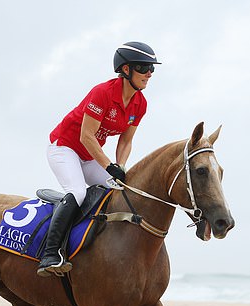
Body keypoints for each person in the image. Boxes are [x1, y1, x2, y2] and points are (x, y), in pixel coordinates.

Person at [38, 41, 161, 276]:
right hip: (64, 148)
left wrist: (120, 167)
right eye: (144, 68)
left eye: (152, 69)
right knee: (78, 192)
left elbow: (125, 141)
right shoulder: (102, 93)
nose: (150, 74)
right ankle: (50, 253)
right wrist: (108, 165)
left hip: (89, 155)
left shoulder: (140, 103)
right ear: (126, 69)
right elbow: (86, 136)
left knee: (119, 190)